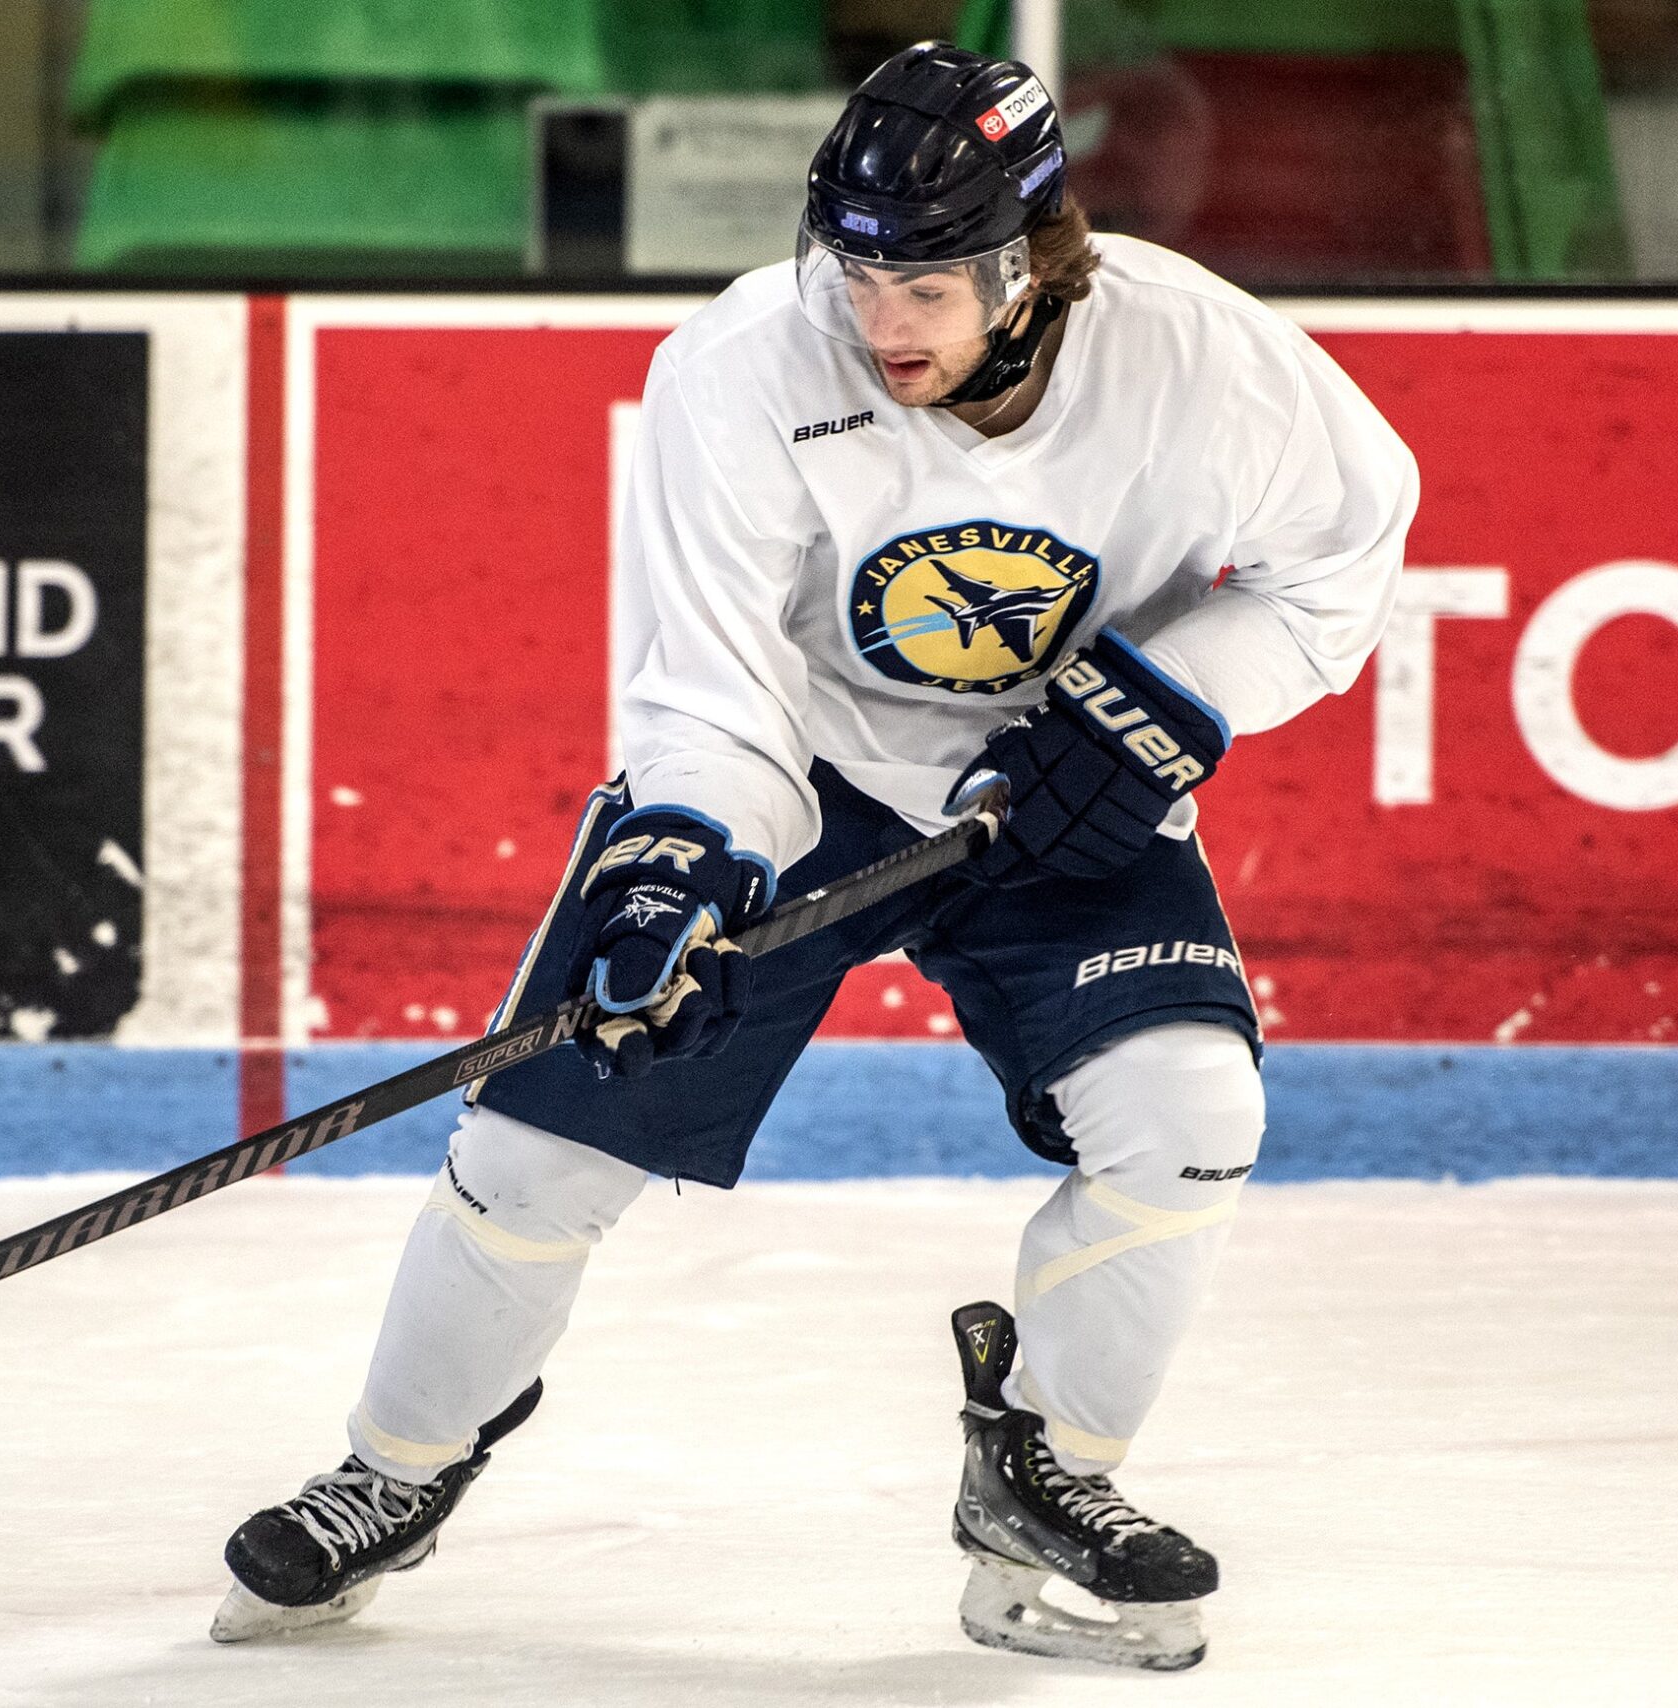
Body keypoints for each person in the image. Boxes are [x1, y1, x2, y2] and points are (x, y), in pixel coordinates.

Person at [216, 41, 1419, 1671]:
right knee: (546, 1144)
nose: (879, 323)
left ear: (1033, 264)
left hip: (1054, 779)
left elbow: (1346, 557)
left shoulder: (1204, 359)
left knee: (1192, 1116)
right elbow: (713, 682)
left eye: (924, 283)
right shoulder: (740, 366)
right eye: (854, 273)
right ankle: (395, 1468)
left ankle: (1046, 1468)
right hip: (809, 772)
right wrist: (683, 861)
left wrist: (1164, 701)